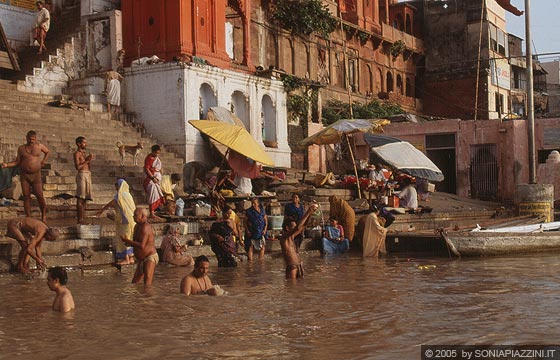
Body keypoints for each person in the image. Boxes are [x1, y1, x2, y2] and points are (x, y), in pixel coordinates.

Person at [2, 130, 49, 222]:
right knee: (26, 196)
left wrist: (44, 161)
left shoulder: (39, 146)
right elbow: (17, 162)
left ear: (35, 139)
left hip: (36, 175)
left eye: (33, 139)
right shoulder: (21, 148)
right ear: (26, 138)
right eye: (30, 139)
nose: (31, 141)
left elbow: (47, 152)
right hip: (25, 176)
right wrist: (7, 165)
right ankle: (28, 216)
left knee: (39, 195)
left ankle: (43, 215)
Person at [96, 179, 135, 265]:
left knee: (123, 238)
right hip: (131, 220)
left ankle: (126, 259)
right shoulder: (129, 195)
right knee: (129, 238)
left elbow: (112, 203)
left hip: (124, 221)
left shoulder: (120, 195)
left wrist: (102, 210)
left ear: (119, 186)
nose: (116, 189)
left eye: (117, 187)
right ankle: (131, 258)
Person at [280, 203, 318, 279]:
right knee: (292, 288)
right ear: (287, 228)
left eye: (294, 226)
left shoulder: (292, 236)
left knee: (299, 288)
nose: (294, 227)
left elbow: (303, 226)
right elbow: (297, 228)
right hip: (292, 268)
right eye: (292, 226)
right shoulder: (284, 238)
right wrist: (308, 211)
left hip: (298, 266)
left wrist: (311, 213)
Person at [121, 208, 158, 285]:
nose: (133, 216)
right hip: (141, 259)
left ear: (143, 216)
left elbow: (142, 245)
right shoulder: (136, 226)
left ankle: (149, 297)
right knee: (134, 283)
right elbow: (136, 242)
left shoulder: (146, 227)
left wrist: (126, 241)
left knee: (147, 284)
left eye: (135, 215)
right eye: (134, 214)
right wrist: (128, 243)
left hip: (150, 257)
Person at [73, 136, 93, 225]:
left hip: (88, 174)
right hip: (82, 175)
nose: (85, 144)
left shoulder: (84, 153)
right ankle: (80, 219)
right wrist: (87, 160)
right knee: (81, 198)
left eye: (85, 142)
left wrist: (89, 160)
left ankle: (82, 218)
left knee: (86, 198)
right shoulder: (77, 153)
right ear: (78, 144)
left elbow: (88, 165)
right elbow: (78, 167)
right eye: (84, 142)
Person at [143, 145, 165, 221]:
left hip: (156, 179)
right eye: (156, 153)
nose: (157, 155)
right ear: (152, 151)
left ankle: (154, 212)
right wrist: (152, 178)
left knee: (157, 194)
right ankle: (152, 213)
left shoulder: (156, 158)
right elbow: (146, 169)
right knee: (153, 195)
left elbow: (159, 167)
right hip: (150, 180)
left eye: (158, 153)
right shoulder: (149, 158)